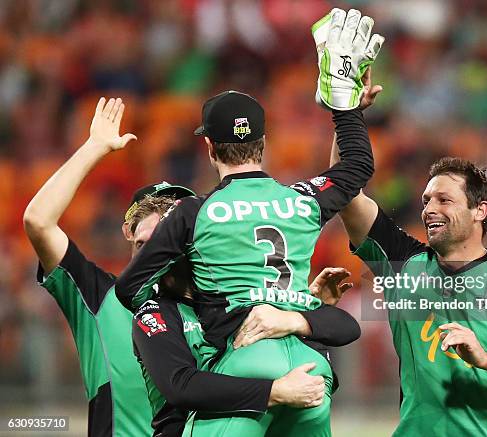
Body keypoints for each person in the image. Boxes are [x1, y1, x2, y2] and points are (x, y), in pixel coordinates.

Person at [22, 96, 360, 437]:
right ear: (129, 234)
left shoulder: (219, 300)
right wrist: (94, 147)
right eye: (146, 242)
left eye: (168, 240)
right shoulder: (99, 296)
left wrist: (296, 312)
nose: (158, 251)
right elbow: (38, 222)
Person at [116, 8, 383, 436]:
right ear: (263, 142)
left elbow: (130, 288)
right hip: (309, 360)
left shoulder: (193, 212)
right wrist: (345, 107)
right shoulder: (302, 200)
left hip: (246, 358)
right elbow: (357, 166)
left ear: (208, 147)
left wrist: (172, 302)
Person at [330, 143, 487, 435]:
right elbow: (345, 190)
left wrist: (486, 360)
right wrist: (345, 109)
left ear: (479, 210)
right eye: (426, 200)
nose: (429, 209)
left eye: (444, 200)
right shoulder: (403, 264)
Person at [126, 194, 360, 436]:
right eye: (142, 245)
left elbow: (347, 328)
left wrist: (298, 315)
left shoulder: (234, 295)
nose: (150, 254)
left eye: (159, 240)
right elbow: (180, 386)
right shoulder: (154, 312)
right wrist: (276, 391)